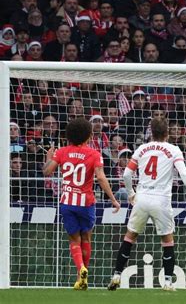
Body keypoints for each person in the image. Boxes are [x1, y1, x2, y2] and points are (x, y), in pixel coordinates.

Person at [108, 117, 186, 292]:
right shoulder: (174, 150)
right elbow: (184, 173)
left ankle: (116, 276)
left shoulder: (142, 149)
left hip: (142, 198)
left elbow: (127, 174)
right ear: (167, 133)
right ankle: (167, 282)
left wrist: (131, 193)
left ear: (151, 132)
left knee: (130, 237)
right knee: (167, 240)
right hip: (161, 200)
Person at [42, 118, 120, 290]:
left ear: (68, 135)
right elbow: (100, 177)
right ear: (89, 136)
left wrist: (48, 157)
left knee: (74, 240)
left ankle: (80, 271)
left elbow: (47, 171)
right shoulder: (94, 154)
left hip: (67, 201)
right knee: (86, 238)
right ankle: (83, 275)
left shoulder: (62, 152)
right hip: (86, 203)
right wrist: (113, 199)